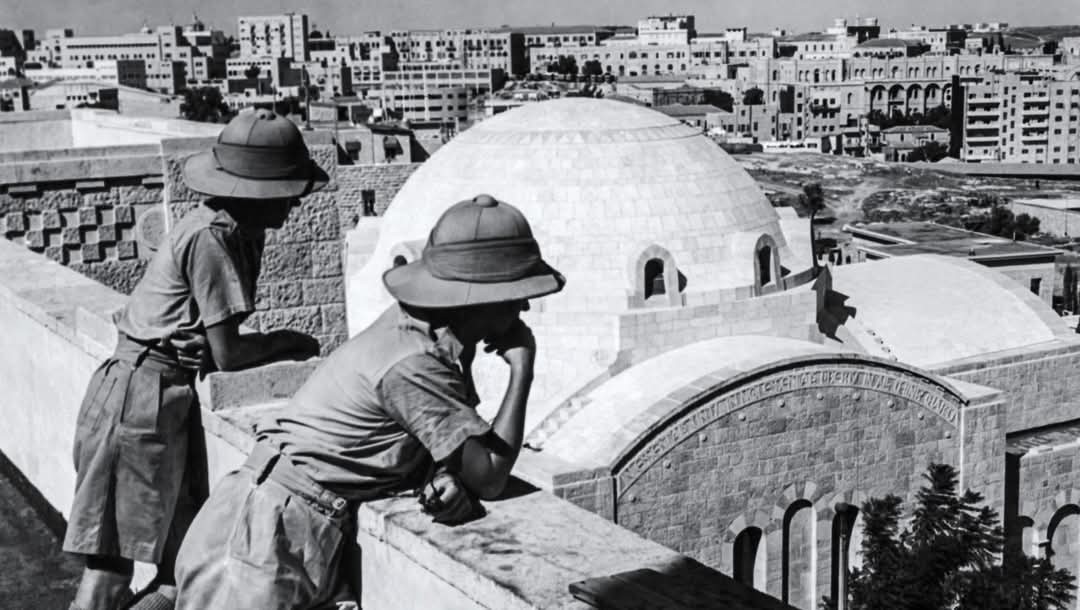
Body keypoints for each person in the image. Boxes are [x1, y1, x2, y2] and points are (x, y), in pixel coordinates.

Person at [174, 193, 565, 609]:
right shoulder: (414, 362)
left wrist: (442, 472)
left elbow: (435, 440)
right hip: (262, 541)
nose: (524, 307)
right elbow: (489, 476)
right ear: (479, 299)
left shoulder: (417, 333)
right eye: (514, 296)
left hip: (281, 524)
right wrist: (523, 368)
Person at [64, 108, 327, 610]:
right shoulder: (211, 235)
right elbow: (229, 353)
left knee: (178, 573)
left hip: (161, 399)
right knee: (109, 576)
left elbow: (207, 336)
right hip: (137, 401)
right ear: (258, 191)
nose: (295, 202)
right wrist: (286, 342)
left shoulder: (234, 231)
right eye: (289, 190)